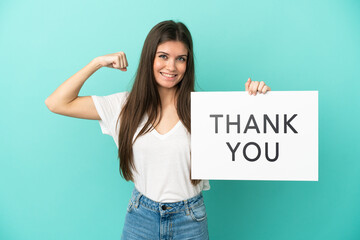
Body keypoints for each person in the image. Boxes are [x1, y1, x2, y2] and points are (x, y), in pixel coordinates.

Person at [45, 20, 271, 240]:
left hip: (190, 220)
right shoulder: (124, 106)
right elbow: (56, 103)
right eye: (163, 56)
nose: (171, 67)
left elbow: (250, 135)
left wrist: (256, 101)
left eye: (180, 59)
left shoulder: (204, 109)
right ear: (149, 58)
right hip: (140, 217)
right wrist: (96, 63)